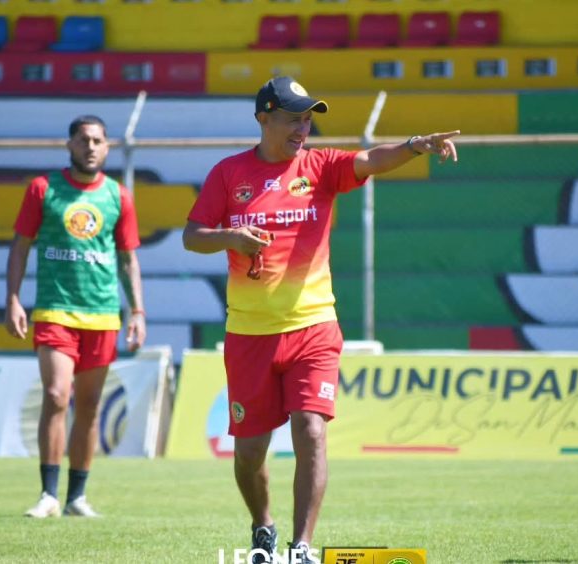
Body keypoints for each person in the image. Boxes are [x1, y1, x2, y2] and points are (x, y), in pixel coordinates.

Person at [183, 77, 459, 563]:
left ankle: (302, 547)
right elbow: (192, 236)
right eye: (293, 118)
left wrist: (415, 145)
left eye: (308, 119)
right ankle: (263, 526)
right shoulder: (228, 173)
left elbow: (371, 160)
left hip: (314, 326)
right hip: (249, 335)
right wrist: (231, 238)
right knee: (249, 453)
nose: (303, 128)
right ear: (263, 117)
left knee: (311, 429)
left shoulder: (320, 165)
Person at [5, 114, 147, 518]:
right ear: (69, 144)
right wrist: (13, 299)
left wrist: (137, 310)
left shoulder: (118, 196)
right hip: (55, 310)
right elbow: (20, 246)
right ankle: (48, 494)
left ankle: (76, 497)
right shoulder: (43, 189)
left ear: (108, 147)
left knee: (89, 406)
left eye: (98, 141)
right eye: (83, 140)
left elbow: (128, 259)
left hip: (102, 314)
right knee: (56, 395)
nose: (90, 147)